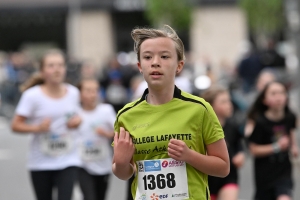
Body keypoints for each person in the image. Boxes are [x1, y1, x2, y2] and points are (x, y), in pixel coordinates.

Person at [112, 25, 230, 200]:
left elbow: (223, 167)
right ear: (139, 66)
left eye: (165, 56)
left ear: (179, 65)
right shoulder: (126, 116)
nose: (155, 62)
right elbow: (123, 173)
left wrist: (189, 156)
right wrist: (121, 163)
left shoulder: (199, 109)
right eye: (147, 57)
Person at [11, 49, 82, 200]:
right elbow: (16, 125)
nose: (57, 69)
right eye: (51, 65)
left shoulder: (74, 93)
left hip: (68, 159)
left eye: (60, 65)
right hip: (40, 162)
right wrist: (38, 128)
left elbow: (76, 117)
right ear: (42, 71)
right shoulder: (32, 96)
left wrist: (77, 122)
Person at [245, 81, 299, 200]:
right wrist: (277, 147)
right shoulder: (260, 122)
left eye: (282, 93)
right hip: (264, 175)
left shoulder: (290, 117)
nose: (278, 97)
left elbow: (290, 132)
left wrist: (294, 148)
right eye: (273, 93)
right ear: (264, 100)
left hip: (284, 172)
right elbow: (253, 150)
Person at [202, 86, 245, 200]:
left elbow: (239, 145)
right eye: (223, 102)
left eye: (228, 101)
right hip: (207, 180)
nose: (229, 105)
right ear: (210, 106)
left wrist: (240, 155)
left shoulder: (232, 126)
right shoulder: (202, 130)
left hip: (229, 177)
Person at [76, 78, 116, 200]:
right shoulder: (75, 114)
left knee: (100, 196)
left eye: (95, 90)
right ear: (80, 94)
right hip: (82, 164)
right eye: (88, 91)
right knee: (89, 197)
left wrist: (107, 134)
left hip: (103, 163)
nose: (93, 94)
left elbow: (119, 132)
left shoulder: (106, 110)